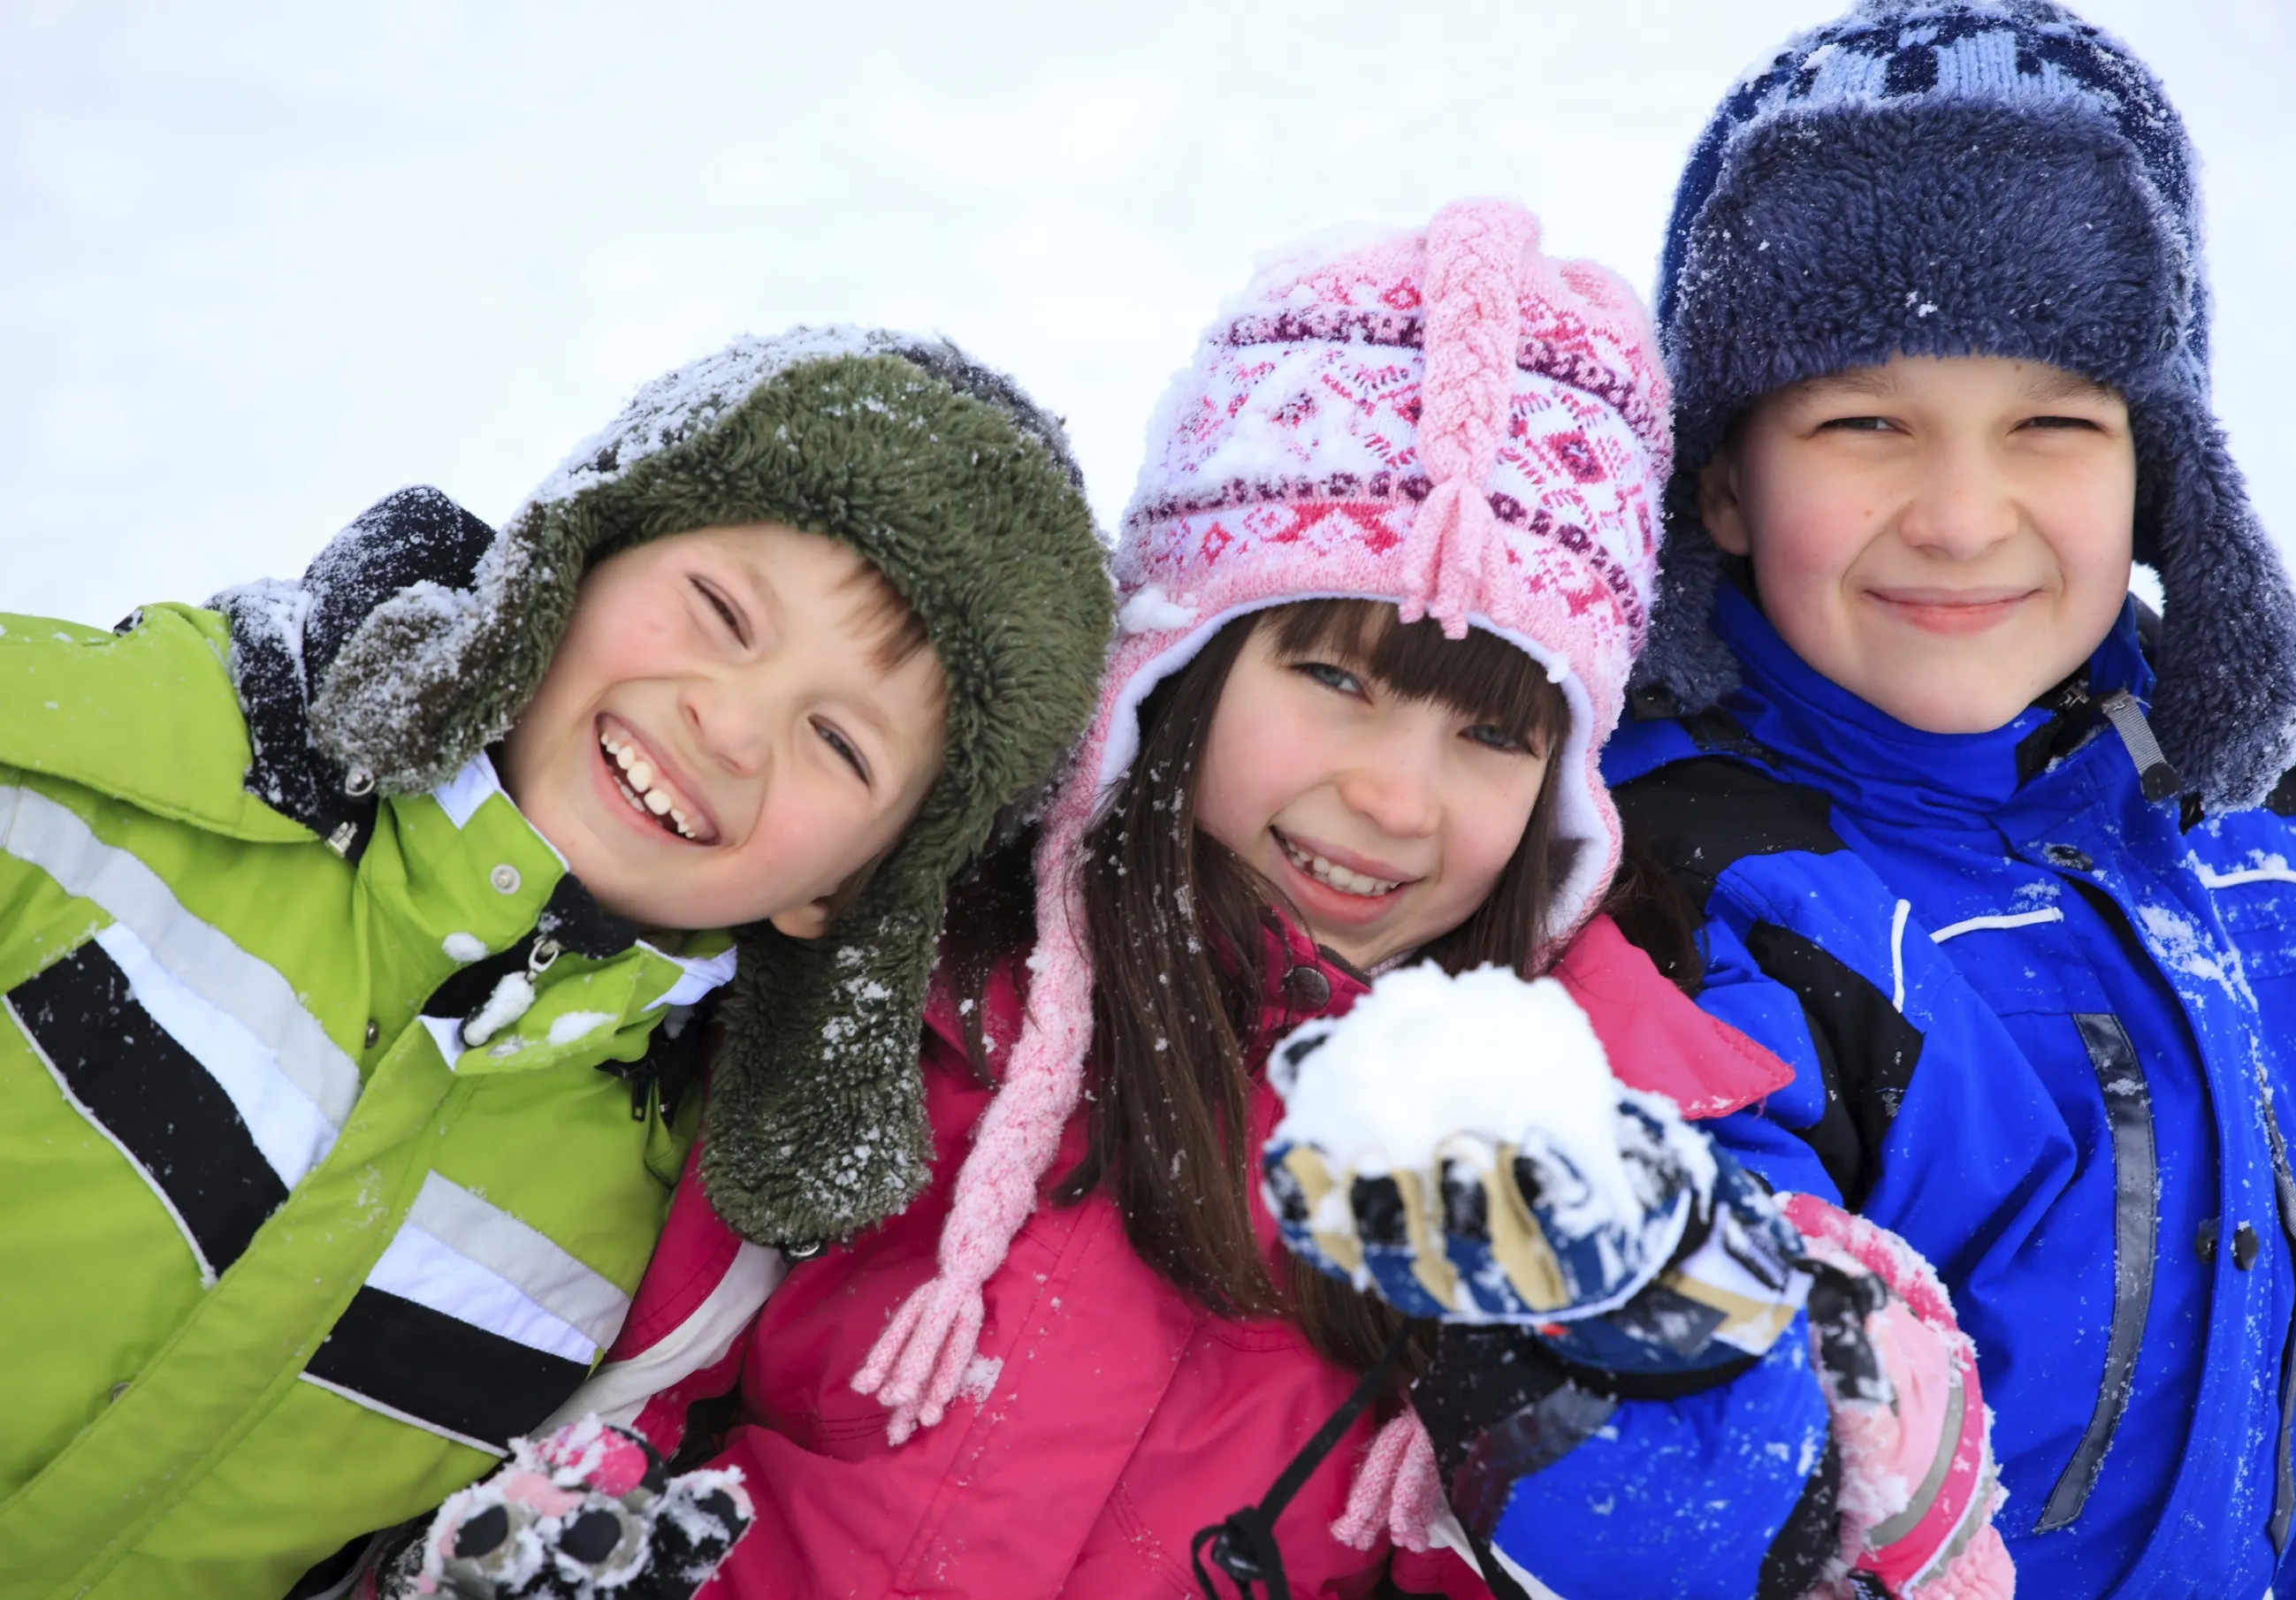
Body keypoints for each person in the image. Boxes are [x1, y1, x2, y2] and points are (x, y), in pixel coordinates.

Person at [440, 201, 2009, 1600]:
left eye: (1490, 730)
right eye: (1328, 672)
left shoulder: (1597, 1119)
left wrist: (1641, 1328)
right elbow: (608, 1349)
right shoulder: (924, 972)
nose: (1394, 794)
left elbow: (1863, 1493)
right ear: (1178, 666)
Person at [0, 325, 1113, 1599]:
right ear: (574, 549)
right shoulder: (106, 781)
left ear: (850, 893)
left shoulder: (661, 1248)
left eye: (841, 745)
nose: (732, 725)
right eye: (723, 610)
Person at [1591, 2, 2296, 1593]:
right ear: (1722, 480)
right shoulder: (1683, 894)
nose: (1964, 517)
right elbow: (1709, 1489)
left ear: (2158, 467)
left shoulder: (2254, 813)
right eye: (1863, 421)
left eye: (2052, 421)